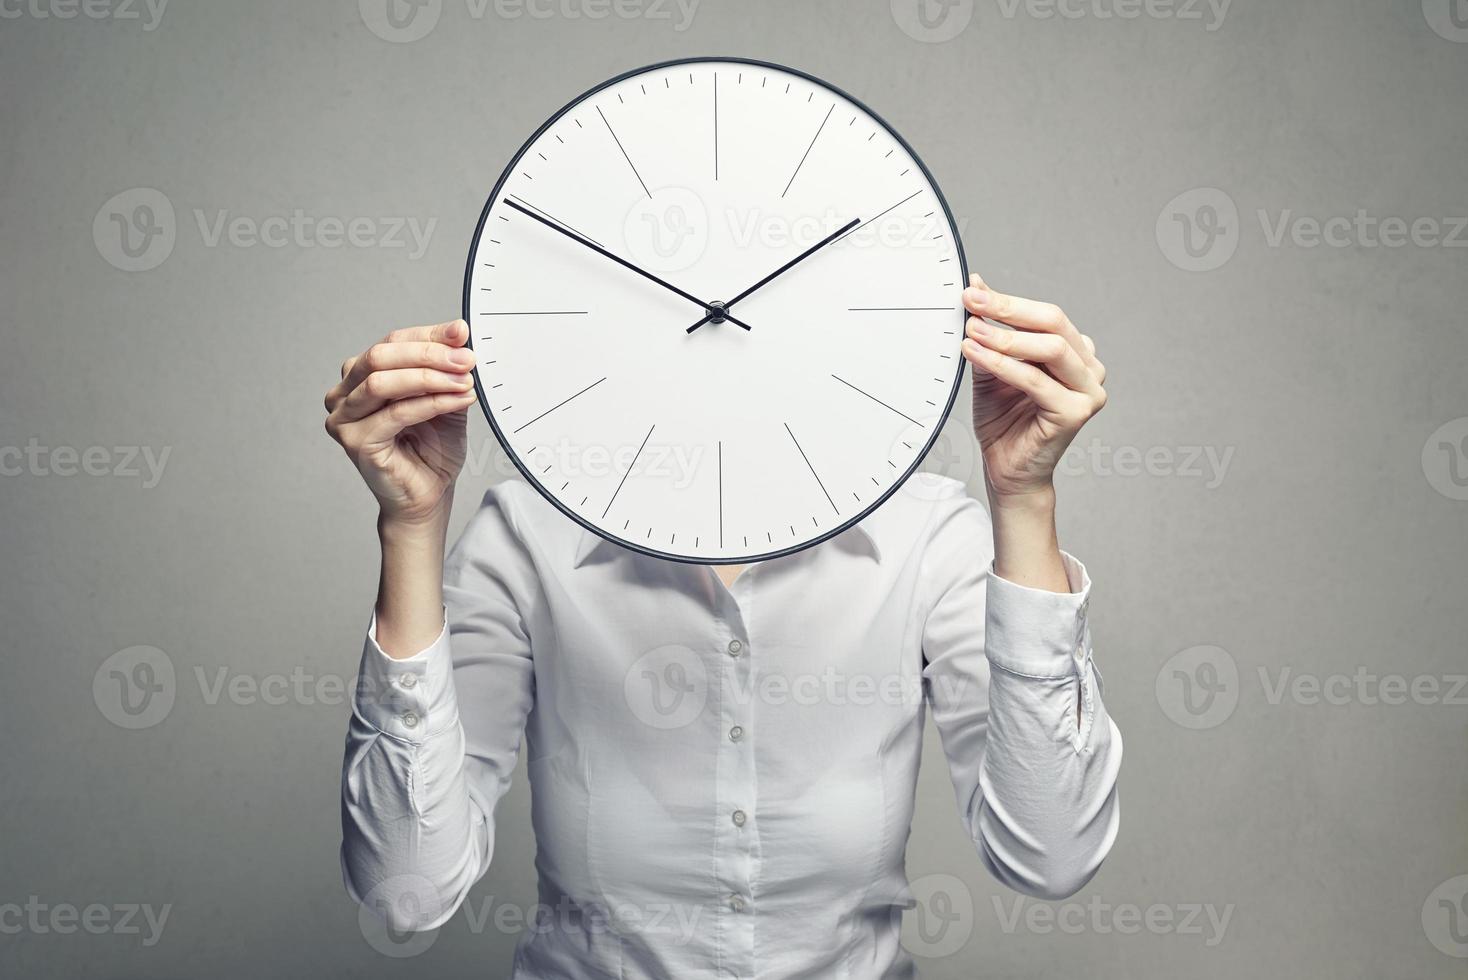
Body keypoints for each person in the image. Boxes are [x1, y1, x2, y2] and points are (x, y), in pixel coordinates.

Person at [324, 274, 1120, 978]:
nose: (722, 326)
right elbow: (406, 892)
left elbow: (1048, 855)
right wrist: (412, 528)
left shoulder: (928, 535)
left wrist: (1023, 498)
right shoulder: (527, 537)